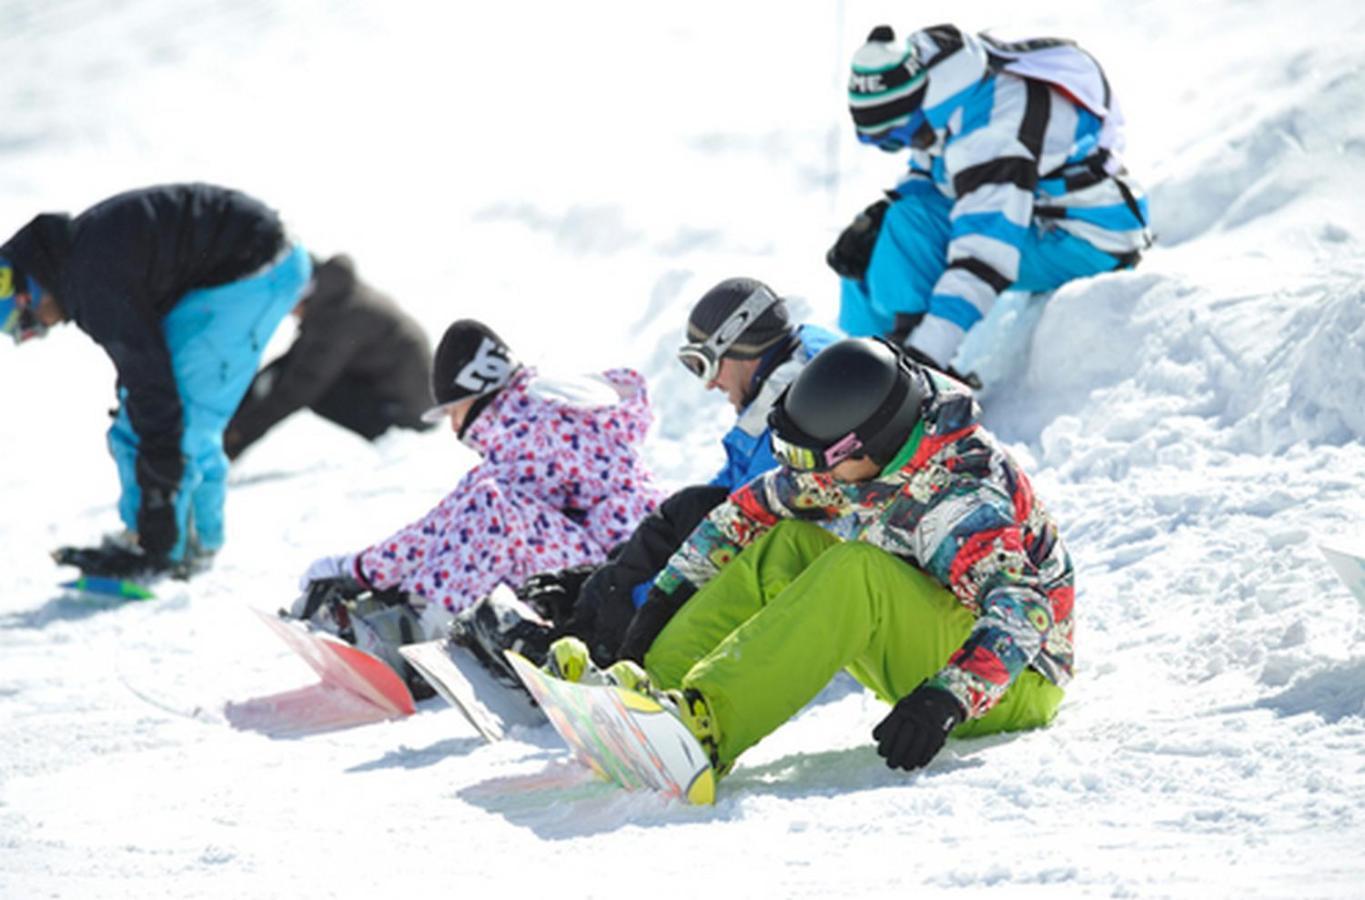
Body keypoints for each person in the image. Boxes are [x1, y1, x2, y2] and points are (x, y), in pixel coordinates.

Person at [551, 337, 1074, 779]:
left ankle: (706, 726)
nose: (811, 476)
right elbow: (745, 513)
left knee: (857, 572)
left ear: (868, 446)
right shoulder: (871, 454)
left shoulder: (962, 499)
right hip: (941, 639)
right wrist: (659, 608)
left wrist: (946, 699)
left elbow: (1024, 611)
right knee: (787, 544)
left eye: (820, 461)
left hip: (1012, 681)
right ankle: (650, 689)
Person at [448, 277, 840, 673]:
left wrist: (626, 597)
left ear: (741, 348)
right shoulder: (794, 374)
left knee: (690, 522)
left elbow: (737, 528)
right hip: (799, 551)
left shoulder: (794, 406)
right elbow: (726, 493)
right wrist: (595, 579)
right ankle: (582, 623)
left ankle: (597, 648)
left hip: (803, 569)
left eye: (704, 364)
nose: (708, 384)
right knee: (683, 512)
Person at [0, 183, 311, 576]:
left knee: (181, 421)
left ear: (29, 294)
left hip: (257, 270)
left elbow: (152, 383)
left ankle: (169, 549)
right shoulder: (79, 262)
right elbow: (143, 365)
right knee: (149, 419)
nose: (41, 330)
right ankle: (170, 542)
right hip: (247, 264)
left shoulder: (88, 278)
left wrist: (158, 505)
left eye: (27, 324)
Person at [294, 318, 665, 641]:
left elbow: (445, 522)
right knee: (487, 517)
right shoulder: (544, 409)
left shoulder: (531, 427)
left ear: (478, 393)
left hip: (620, 579)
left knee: (493, 506)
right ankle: (407, 609)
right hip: (629, 561)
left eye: (455, 411)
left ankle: (419, 629)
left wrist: (359, 569)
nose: (455, 428)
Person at [828, 24, 1152, 383]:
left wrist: (928, 352)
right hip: (1034, 215)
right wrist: (882, 215)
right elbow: (932, 166)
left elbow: (985, 255)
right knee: (875, 245)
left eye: (897, 138)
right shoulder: (943, 91)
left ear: (915, 109)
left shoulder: (991, 135)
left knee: (905, 229)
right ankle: (854, 370)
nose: (906, 147)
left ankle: (904, 376)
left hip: (1087, 240)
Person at [224, 253, 433, 459]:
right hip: (398, 395)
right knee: (292, 375)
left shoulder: (342, 317)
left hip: (409, 414)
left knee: (316, 390)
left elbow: (300, 386)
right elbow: (288, 366)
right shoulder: (333, 298)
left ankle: (391, 443)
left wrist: (239, 436)